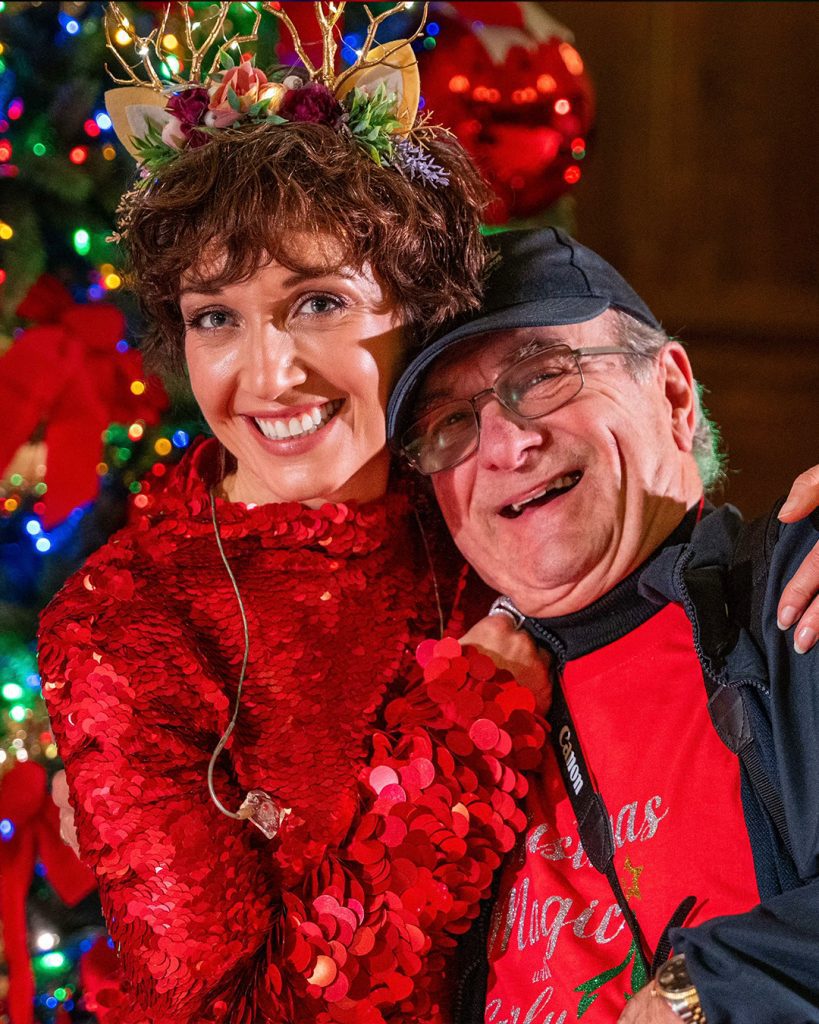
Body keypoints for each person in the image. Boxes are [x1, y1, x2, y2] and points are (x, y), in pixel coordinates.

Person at [38, 11, 551, 1023]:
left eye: (318, 302)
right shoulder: (125, 625)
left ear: (414, 305)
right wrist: (459, 750)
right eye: (215, 317)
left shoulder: (497, 499)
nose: (269, 376)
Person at [386, 226, 819, 1024]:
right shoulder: (442, 729)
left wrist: (696, 999)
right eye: (449, 424)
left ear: (673, 394)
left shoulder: (798, 593)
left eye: (543, 375)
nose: (508, 445)